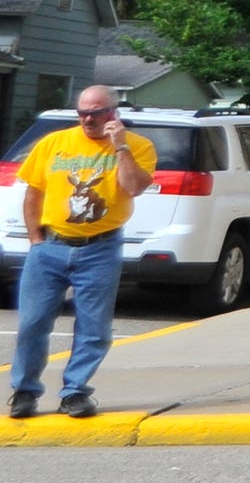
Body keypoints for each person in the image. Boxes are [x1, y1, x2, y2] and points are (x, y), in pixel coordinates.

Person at [13, 84, 155, 419]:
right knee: (32, 323)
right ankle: (25, 391)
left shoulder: (139, 146)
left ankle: (75, 392)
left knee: (94, 327)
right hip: (50, 246)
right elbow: (34, 193)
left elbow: (134, 186)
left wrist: (120, 146)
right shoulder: (53, 143)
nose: (88, 120)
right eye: (83, 113)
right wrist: (35, 239)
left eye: (96, 113)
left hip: (100, 248)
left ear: (112, 114)